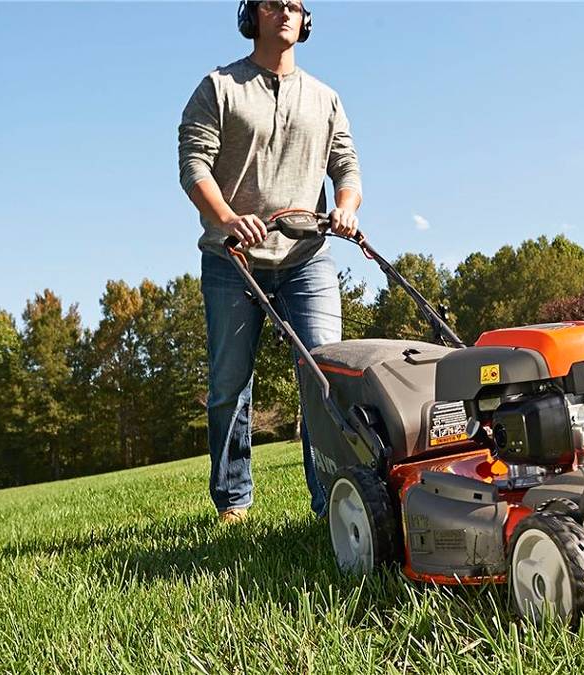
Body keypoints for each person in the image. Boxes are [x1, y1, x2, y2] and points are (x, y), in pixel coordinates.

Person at [178, 0, 362, 523]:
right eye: (272, 3)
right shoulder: (219, 87)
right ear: (252, 15)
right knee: (228, 384)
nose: (285, 11)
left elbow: (347, 167)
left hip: (307, 257)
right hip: (232, 261)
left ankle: (332, 499)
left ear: (306, 20)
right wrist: (228, 218)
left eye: (295, 5)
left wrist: (345, 209)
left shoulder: (325, 98)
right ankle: (233, 500)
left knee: (328, 374)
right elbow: (193, 165)